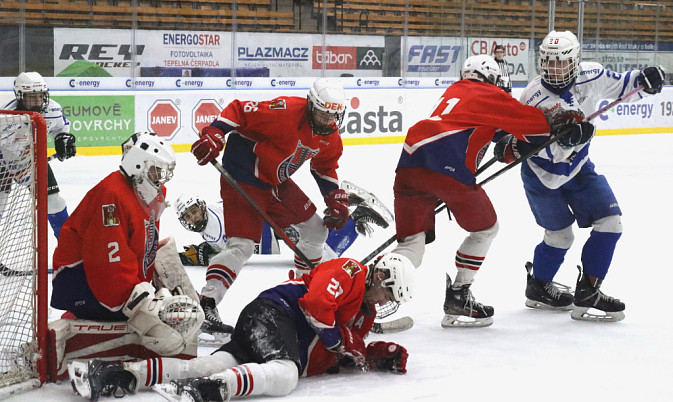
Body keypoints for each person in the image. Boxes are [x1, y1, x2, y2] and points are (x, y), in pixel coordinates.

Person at [68, 253, 415, 401]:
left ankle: (116, 373)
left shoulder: (363, 314)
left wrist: (369, 355)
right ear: (381, 274)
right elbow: (317, 306)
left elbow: (340, 345)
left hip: (273, 331)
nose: (385, 302)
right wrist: (342, 343)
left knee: (206, 364)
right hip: (274, 314)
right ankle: (210, 390)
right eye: (388, 292)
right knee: (285, 374)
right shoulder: (352, 272)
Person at [508, 30, 665, 322]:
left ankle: (589, 291)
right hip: (543, 175)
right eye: (548, 62)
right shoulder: (532, 96)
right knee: (560, 236)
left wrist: (645, 80)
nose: (553, 69)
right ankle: (538, 287)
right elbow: (525, 146)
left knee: (612, 222)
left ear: (575, 61)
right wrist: (561, 141)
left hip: (579, 167)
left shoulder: (591, 74)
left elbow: (622, 85)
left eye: (560, 63)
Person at [390, 54, 551, 328]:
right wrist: (562, 125)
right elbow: (539, 129)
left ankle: (362, 296)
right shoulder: (490, 94)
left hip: (410, 159)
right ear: (491, 78)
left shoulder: (455, 90)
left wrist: (508, 142)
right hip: (447, 166)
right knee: (486, 229)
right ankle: (459, 293)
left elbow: (484, 127)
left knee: (410, 246)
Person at [188, 78, 351, 336]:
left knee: (315, 232)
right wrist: (216, 132)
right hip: (242, 175)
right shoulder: (284, 111)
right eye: (321, 112)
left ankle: (305, 292)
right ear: (310, 105)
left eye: (332, 115)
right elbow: (240, 110)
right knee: (241, 245)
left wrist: (334, 196)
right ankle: (206, 303)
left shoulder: (329, 134)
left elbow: (324, 166)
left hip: (275, 182)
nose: (326, 119)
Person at [49, 132, 201, 356]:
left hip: (104, 273)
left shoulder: (147, 191)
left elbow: (140, 242)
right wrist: (139, 303)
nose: (160, 177)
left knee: (169, 266)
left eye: (162, 171)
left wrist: (154, 281)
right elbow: (106, 260)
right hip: (78, 280)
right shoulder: (111, 196)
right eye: (155, 170)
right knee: (162, 322)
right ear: (137, 165)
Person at [174, 184, 392, 265]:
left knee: (323, 259)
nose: (193, 218)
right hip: (272, 229)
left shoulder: (215, 217)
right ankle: (346, 202)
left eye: (193, 212)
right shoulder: (208, 226)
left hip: (273, 227)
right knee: (316, 246)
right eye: (188, 217)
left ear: (201, 206)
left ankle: (357, 215)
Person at [2, 72, 76, 238]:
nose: (38, 101)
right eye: (32, 97)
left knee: (54, 202)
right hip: (2, 163)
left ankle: (70, 252)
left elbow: (60, 128)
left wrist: (62, 140)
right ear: (20, 96)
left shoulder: (53, 109)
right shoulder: (6, 116)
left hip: (31, 161)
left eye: (41, 96)